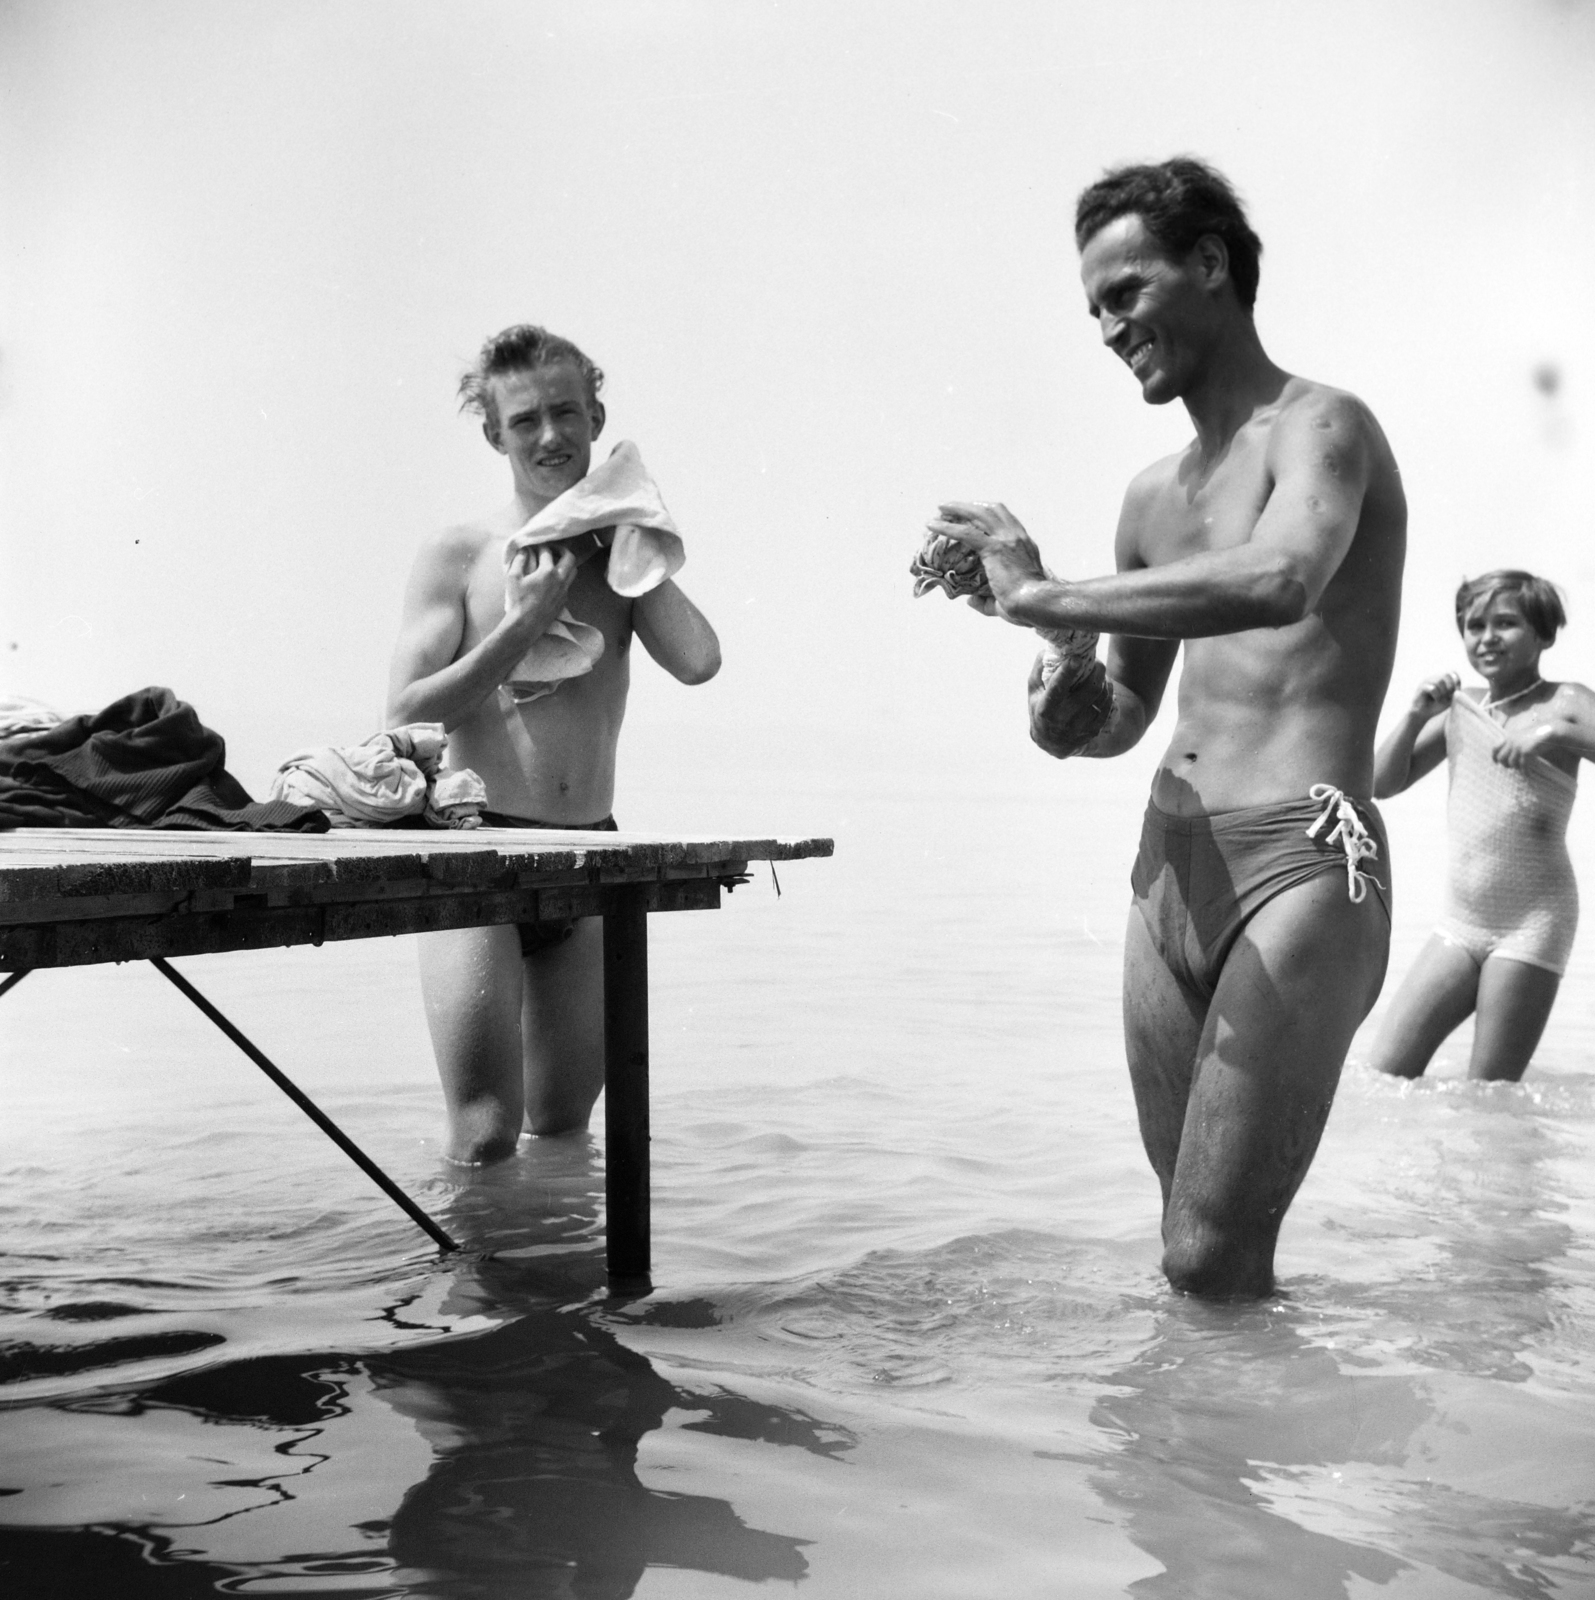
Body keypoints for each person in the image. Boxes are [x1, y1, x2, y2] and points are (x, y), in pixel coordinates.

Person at [925, 157, 1407, 1299]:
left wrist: (1040, 595)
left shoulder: (1321, 426)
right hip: (1166, 867)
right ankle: (1183, 1470)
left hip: (1302, 855)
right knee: (1186, 1251)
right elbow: (1126, 714)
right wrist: (1065, 710)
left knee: (1206, 1255)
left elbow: (1284, 578)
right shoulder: (1148, 495)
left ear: (1209, 263)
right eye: (1092, 306)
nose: (1106, 326)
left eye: (1125, 290)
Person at [388, 325, 721, 1164]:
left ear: (597, 415)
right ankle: (467, 1296)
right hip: (479, 855)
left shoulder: (621, 554)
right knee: (486, 1132)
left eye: (567, 413)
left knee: (563, 1130)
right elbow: (403, 714)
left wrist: (627, 533)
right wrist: (525, 623)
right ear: (494, 434)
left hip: (587, 854)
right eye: (526, 419)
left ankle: (556, 1298)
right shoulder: (459, 552)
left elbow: (700, 661)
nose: (550, 436)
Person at [1369, 571, 1595, 1082]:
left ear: (1544, 635)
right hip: (1461, 922)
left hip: (1532, 923)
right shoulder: (1461, 708)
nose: (1486, 637)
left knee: (1490, 1092)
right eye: (1474, 626)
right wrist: (1414, 713)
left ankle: (1502, 1164)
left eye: (1506, 623)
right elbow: (1382, 784)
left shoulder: (1566, 701)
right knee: (1383, 1073)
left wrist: (1556, 733)